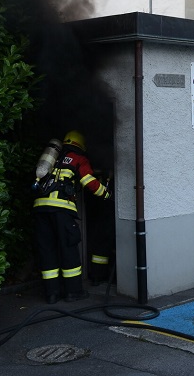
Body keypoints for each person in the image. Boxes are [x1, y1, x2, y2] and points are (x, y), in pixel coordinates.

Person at [32, 130, 110, 304]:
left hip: (40, 209)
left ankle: (52, 294)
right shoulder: (78, 158)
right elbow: (89, 182)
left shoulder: (53, 158)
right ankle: (73, 292)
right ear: (81, 145)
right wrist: (106, 194)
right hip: (61, 210)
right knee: (69, 249)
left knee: (48, 250)